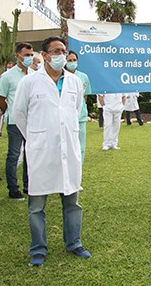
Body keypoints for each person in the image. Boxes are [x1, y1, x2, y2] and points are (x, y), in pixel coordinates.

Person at [13, 36, 90, 267]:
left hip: (68, 148)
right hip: (41, 151)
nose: (61, 55)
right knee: (36, 205)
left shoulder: (74, 82)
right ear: (45, 55)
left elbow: (74, 111)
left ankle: (74, 243)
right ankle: (38, 249)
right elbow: (19, 114)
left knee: (72, 202)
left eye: (63, 51)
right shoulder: (30, 82)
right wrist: (37, 137)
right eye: (56, 51)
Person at [0, 43, 34, 200]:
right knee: (14, 155)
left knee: (30, 154)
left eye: (31, 55)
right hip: (14, 122)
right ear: (18, 56)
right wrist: (9, 112)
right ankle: (13, 189)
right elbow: (0, 98)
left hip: (32, 121)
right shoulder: (8, 76)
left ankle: (28, 186)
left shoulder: (34, 74)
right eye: (26, 55)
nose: (29, 58)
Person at [65, 51, 92, 162]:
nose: (72, 62)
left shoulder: (83, 77)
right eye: (69, 60)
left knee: (80, 146)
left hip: (80, 117)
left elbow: (84, 97)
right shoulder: (61, 76)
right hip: (65, 117)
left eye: (74, 60)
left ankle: (78, 171)